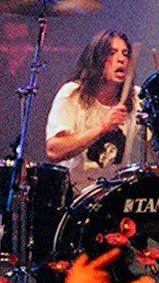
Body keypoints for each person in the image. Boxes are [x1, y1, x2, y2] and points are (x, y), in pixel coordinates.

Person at [46, 30, 143, 191]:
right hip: (76, 195)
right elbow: (54, 151)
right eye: (112, 53)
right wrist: (103, 127)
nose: (121, 59)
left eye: (125, 54)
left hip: (116, 194)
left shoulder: (136, 98)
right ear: (97, 59)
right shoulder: (73, 94)